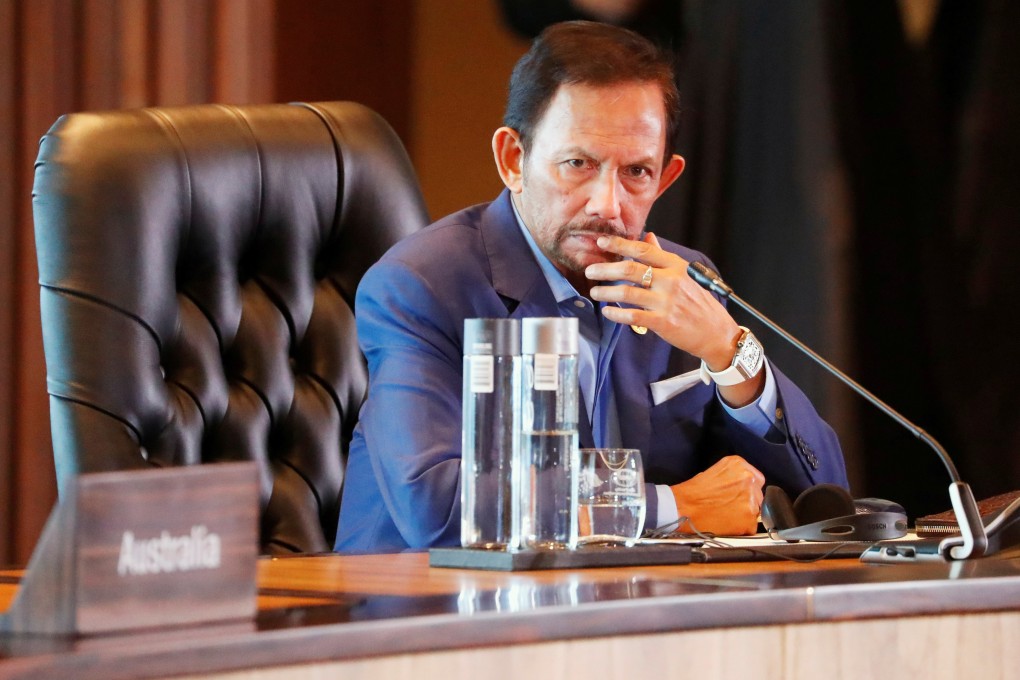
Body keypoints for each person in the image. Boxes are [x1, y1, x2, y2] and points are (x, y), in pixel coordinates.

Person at [335, 21, 847, 553]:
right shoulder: (421, 287)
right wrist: (672, 508)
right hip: (431, 617)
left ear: (665, 179)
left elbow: (823, 497)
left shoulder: (683, 281)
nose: (607, 204)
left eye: (636, 172)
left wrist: (729, 353)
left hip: (628, 617)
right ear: (514, 160)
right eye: (578, 164)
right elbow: (437, 506)